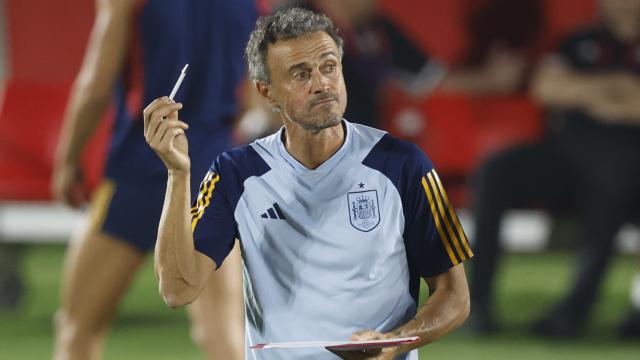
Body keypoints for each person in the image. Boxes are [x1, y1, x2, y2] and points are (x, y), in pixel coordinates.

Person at [145, 7, 472, 359]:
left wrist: (395, 341)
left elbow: (454, 297)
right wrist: (177, 174)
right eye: (301, 75)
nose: (322, 84)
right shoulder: (236, 174)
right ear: (266, 92)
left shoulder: (403, 165)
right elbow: (178, 289)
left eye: (329, 67)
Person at [51, 0, 256, 358]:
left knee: (77, 328)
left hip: (138, 169)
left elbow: (95, 87)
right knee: (223, 335)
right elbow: (251, 100)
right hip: (211, 172)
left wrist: (67, 162)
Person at [468, 0, 640, 337]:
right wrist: (618, 87)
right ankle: (477, 306)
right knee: (495, 170)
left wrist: (584, 94)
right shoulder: (579, 41)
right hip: (564, 153)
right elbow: (546, 87)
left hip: (626, 160)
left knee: (614, 179)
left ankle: (571, 315)